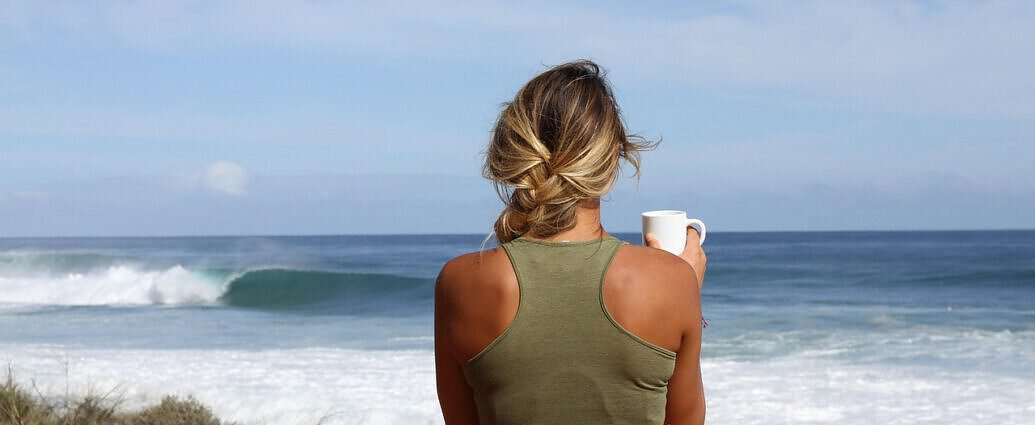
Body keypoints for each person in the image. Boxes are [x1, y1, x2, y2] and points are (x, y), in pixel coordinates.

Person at [434, 59, 707, 425]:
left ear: (513, 150)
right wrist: (683, 289)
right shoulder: (673, 281)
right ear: (611, 159)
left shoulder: (460, 282)